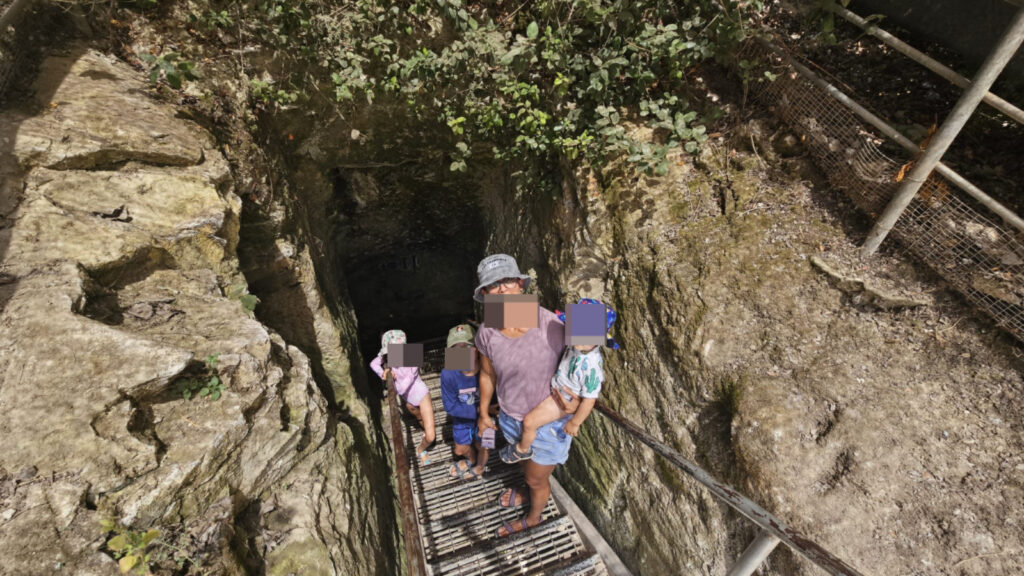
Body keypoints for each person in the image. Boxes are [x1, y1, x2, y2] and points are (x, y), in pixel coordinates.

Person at [472, 253, 573, 538]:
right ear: (485, 294)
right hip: (510, 419)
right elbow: (487, 374)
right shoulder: (486, 332)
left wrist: (577, 402)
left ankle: (534, 517)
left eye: (507, 281)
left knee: (535, 478)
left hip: (548, 425)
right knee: (527, 468)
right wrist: (482, 413)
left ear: (520, 284)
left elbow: (585, 365)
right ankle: (529, 492)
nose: (502, 289)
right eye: (493, 285)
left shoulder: (552, 324)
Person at [499, 299, 618, 464]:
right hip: (556, 388)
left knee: (529, 422)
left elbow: (590, 400)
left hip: (563, 398)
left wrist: (575, 423)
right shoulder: (578, 346)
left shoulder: (591, 367)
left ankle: (521, 450)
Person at [370, 329, 436, 465]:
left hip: (422, 395)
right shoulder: (387, 357)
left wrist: (391, 381)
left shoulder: (412, 356)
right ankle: (425, 430)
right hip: (409, 401)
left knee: (430, 437)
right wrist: (383, 372)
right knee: (419, 419)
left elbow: (404, 386)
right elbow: (373, 364)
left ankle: (420, 449)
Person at [440, 324, 489, 481]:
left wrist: (487, 413)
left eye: (465, 347)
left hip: (487, 416)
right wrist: (479, 411)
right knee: (460, 450)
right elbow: (450, 406)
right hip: (464, 417)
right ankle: (472, 459)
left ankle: (480, 467)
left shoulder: (487, 368)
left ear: (475, 349)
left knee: (485, 444)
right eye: (455, 350)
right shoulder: (448, 374)